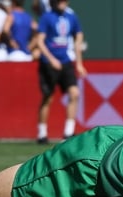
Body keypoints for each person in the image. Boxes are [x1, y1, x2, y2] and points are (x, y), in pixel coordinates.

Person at [34, 0, 86, 144]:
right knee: (48, 97)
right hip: (48, 63)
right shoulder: (47, 17)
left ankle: (68, 133)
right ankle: (42, 133)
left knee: (75, 93)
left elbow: (78, 37)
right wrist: (51, 60)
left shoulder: (71, 17)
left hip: (65, 61)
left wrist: (79, 63)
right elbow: (39, 41)